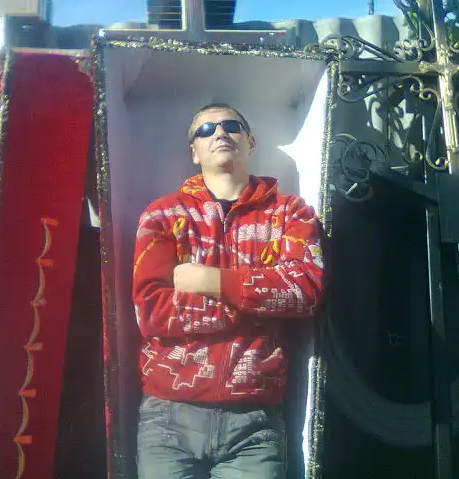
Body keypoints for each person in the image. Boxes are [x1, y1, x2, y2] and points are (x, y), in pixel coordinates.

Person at [132, 103, 324, 478]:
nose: (219, 133)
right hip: (168, 418)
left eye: (230, 126)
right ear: (194, 151)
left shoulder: (290, 213)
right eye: (205, 130)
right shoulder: (163, 215)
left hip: (255, 424)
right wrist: (261, 303)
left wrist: (210, 282)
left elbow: (306, 291)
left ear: (250, 142)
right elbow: (152, 313)